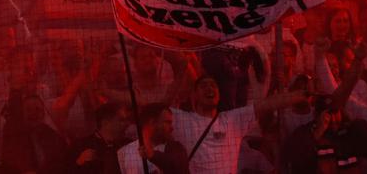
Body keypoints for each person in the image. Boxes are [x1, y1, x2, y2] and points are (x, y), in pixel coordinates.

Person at [171, 73, 307, 173]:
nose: (209, 89)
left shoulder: (233, 119)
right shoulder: (182, 120)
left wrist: (304, 94)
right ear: (194, 95)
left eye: (213, 85)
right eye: (203, 86)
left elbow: (267, 104)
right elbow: (154, 109)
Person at [117, 103, 188, 174]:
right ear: (152, 122)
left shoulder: (176, 149)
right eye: (167, 122)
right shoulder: (124, 152)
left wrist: (153, 155)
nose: (172, 128)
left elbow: (178, 167)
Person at [71, 101, 128, 172]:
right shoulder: (81, 145)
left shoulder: (129, 145)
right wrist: (79, 163)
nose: (127, 124)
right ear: (106, 123)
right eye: (121, 120)